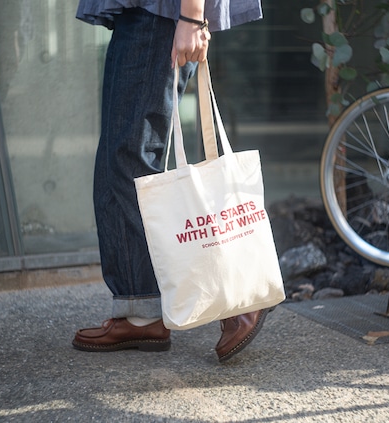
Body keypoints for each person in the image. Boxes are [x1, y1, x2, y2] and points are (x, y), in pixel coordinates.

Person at [73, 0, 268, 362]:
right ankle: (141, 308)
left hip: (160, 14)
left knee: (131, 156)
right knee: (124, 158)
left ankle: (234, 298)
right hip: (151, 14)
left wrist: (192, 16)